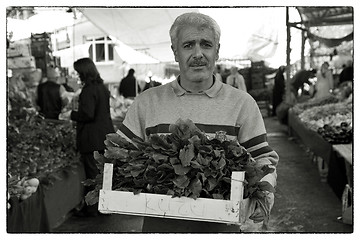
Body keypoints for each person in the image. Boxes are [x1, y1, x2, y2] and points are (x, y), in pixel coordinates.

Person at [116, 12, 278, 233]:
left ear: (217, 51)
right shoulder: (146, 102)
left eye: (206, 44)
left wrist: (265, 192)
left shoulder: (242, 104)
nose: (198, 54)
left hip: (223, 228)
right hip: (160, 228)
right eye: (188, 45)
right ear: (175, 52)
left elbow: (262, 158)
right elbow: (119, 156)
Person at [70, 57, 115, 216]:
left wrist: (71, 114)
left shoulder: (89, 90)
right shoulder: (101, 87)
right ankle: (106, 205)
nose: (77, 75)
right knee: (105, 173)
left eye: (77, 72)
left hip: (92, 138)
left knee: (92, 175)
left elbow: (87, 114)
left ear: (84, 72)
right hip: (105, 136)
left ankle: (92, 209)